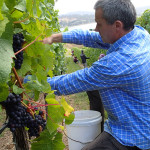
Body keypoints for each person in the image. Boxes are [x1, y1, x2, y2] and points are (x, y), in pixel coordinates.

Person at [38, 0, 150, 149]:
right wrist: (55, 37)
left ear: (117, 25)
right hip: (140, 118)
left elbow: (71, 82)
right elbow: (89, 36)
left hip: (132, 135)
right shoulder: (138, 34)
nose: (96, 29)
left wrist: (29, 82)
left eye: (99, 24)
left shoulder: (120, 63)